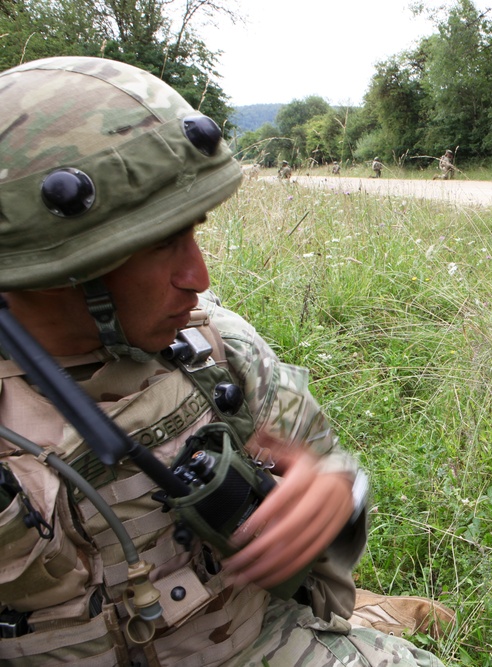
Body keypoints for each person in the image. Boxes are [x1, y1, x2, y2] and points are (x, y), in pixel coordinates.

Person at [0, 57, 452, 666]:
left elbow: (332, 474)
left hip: (259, 640)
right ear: (55, 267)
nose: (198, 277)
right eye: (162, 245)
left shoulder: (213, 348)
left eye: (195, 231)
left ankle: (375, 616)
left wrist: (333, 499)